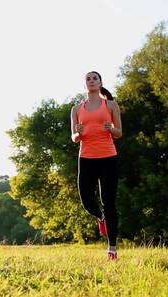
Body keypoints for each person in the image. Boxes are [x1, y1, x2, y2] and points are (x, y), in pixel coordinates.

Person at [70, 71, 122, 260]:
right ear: (85, 85)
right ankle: (101, 218)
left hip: (108, 157)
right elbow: (74, 138)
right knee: (86, 200)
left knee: (109, 202)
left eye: (95, 78)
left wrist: (111, 129)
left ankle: (112, 248)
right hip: (86, 158)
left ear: (100, 83)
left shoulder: (110, 105)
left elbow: (119, 133)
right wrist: (78, 133)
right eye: (88, 79)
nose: (91, 81)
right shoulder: (76, 109)